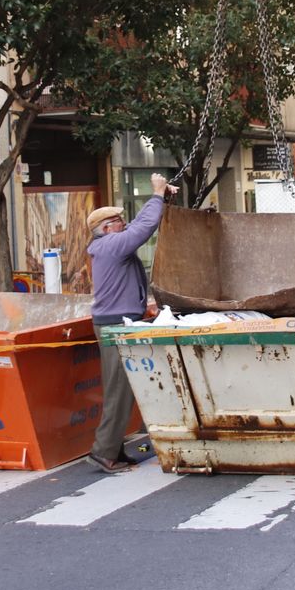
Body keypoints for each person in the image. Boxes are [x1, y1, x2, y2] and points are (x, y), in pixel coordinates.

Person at [83, 175, 176, 473]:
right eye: (119, 222)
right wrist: (157, 194)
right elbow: (143, 228)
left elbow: (138, 225)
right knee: (119, 389)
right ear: (107, 228)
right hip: (114, 324)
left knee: (124, 388)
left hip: (120, 320)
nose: (124, 224)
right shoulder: (111, 246)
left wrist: (161, 199)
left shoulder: (109, 245)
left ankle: (113, 448)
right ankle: (103, 452)